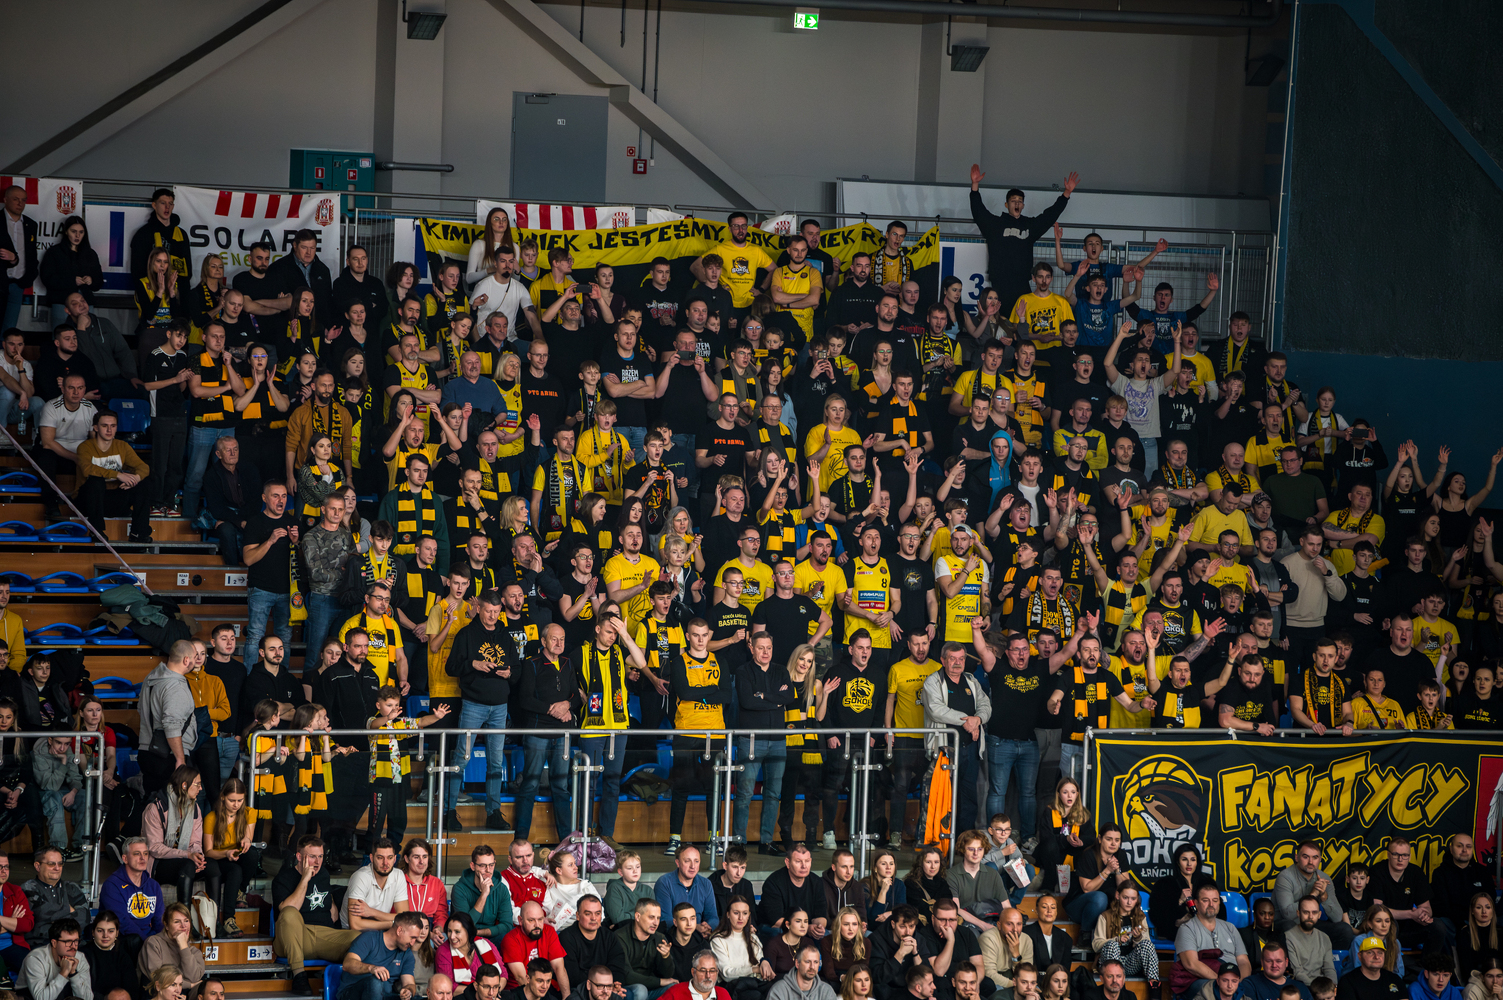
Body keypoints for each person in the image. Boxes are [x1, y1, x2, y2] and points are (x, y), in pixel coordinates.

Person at [273, 836, 361, 994]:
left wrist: (332, 902)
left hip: (324, 936)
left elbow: (327, 900)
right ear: (299, 857)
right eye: (312, 856)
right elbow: (288, 910)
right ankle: (299, 976)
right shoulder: (283, 878)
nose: (317, 862)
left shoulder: (323, 875)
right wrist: (305, 879)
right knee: (289, 913)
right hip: (295, 937)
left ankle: (350, 984)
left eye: (320, 856)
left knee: (360, 938)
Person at [1172, 883, 1249, 999]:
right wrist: (1222, 981)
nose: (1211, 904)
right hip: (1202, 979)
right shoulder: (1187, 929)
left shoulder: (1230, 928)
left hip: (1233, 978)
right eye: (1205, 900)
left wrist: (1237, 981)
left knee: (1252, 986)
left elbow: (1244, 961)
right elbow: (1191, 964)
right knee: (1211, 989)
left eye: (1215, 900)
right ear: (1196, 903)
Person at [1273, 842, 1354, 948]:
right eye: (1305, 857)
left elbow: (1337, 917)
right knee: (1289, 926)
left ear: (1320, 859)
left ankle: (1326, 957)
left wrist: (1324, 896)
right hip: (1287, 924)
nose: (1311, 862)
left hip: (1311, 923)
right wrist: (1313, 895)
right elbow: (1287, 914)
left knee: (1345, 929)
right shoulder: (1285, 877)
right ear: (1297, 857)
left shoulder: (1324, 878)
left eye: (1315, 857)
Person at [338, 910, 425, 1000]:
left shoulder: (407, 953)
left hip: (384, 996)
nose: (413, 943)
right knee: (375, 982)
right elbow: (347, 964)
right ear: (399, 931)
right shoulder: (370, 938)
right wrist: (371, 968)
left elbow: (409, 983)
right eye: (412, 937)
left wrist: (408, 991)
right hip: (352, 994)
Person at [136, 903, 206, 999]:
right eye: (177, 922)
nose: (183, 926)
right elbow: (158, 978)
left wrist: (183, 946)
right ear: (167, 925)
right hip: (158, 994)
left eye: (186, 921)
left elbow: (194, 978)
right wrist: (189, 985)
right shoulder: (153, 943)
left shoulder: (194, 952)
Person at [18, 918, 89, 1000]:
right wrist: (64, 972)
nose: (73, 946)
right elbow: (41, 998)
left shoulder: (80, 958)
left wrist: (73, 974)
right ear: (54, 943)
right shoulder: (35, 958)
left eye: (76, 941)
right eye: (68, 942)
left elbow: (88, 998)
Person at [1284, 897, 1336, 989]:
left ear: (1319, 915)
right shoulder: (1288, 937)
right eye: (1306, 912)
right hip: (1301, 987)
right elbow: (1297, 972)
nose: (1310, 916)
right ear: (1298, 913)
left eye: (1314, 912)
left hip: (1323, 988)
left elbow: (1329, 969)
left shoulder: (1324, 937)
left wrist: (1332, 987)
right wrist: (1318, 989)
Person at [1335, 937, 1403, 1000]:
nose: (1376, 957)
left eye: (1380, 953)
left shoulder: (1395, 979)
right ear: (1360, 956)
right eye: (1370, 953)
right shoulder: (1347, 982)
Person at [766, 946, 836, 1000]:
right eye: (807, 962)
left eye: (816, 962)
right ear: (797, 964)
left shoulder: (826, 991)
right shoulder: (779, 990)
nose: (812, 966)